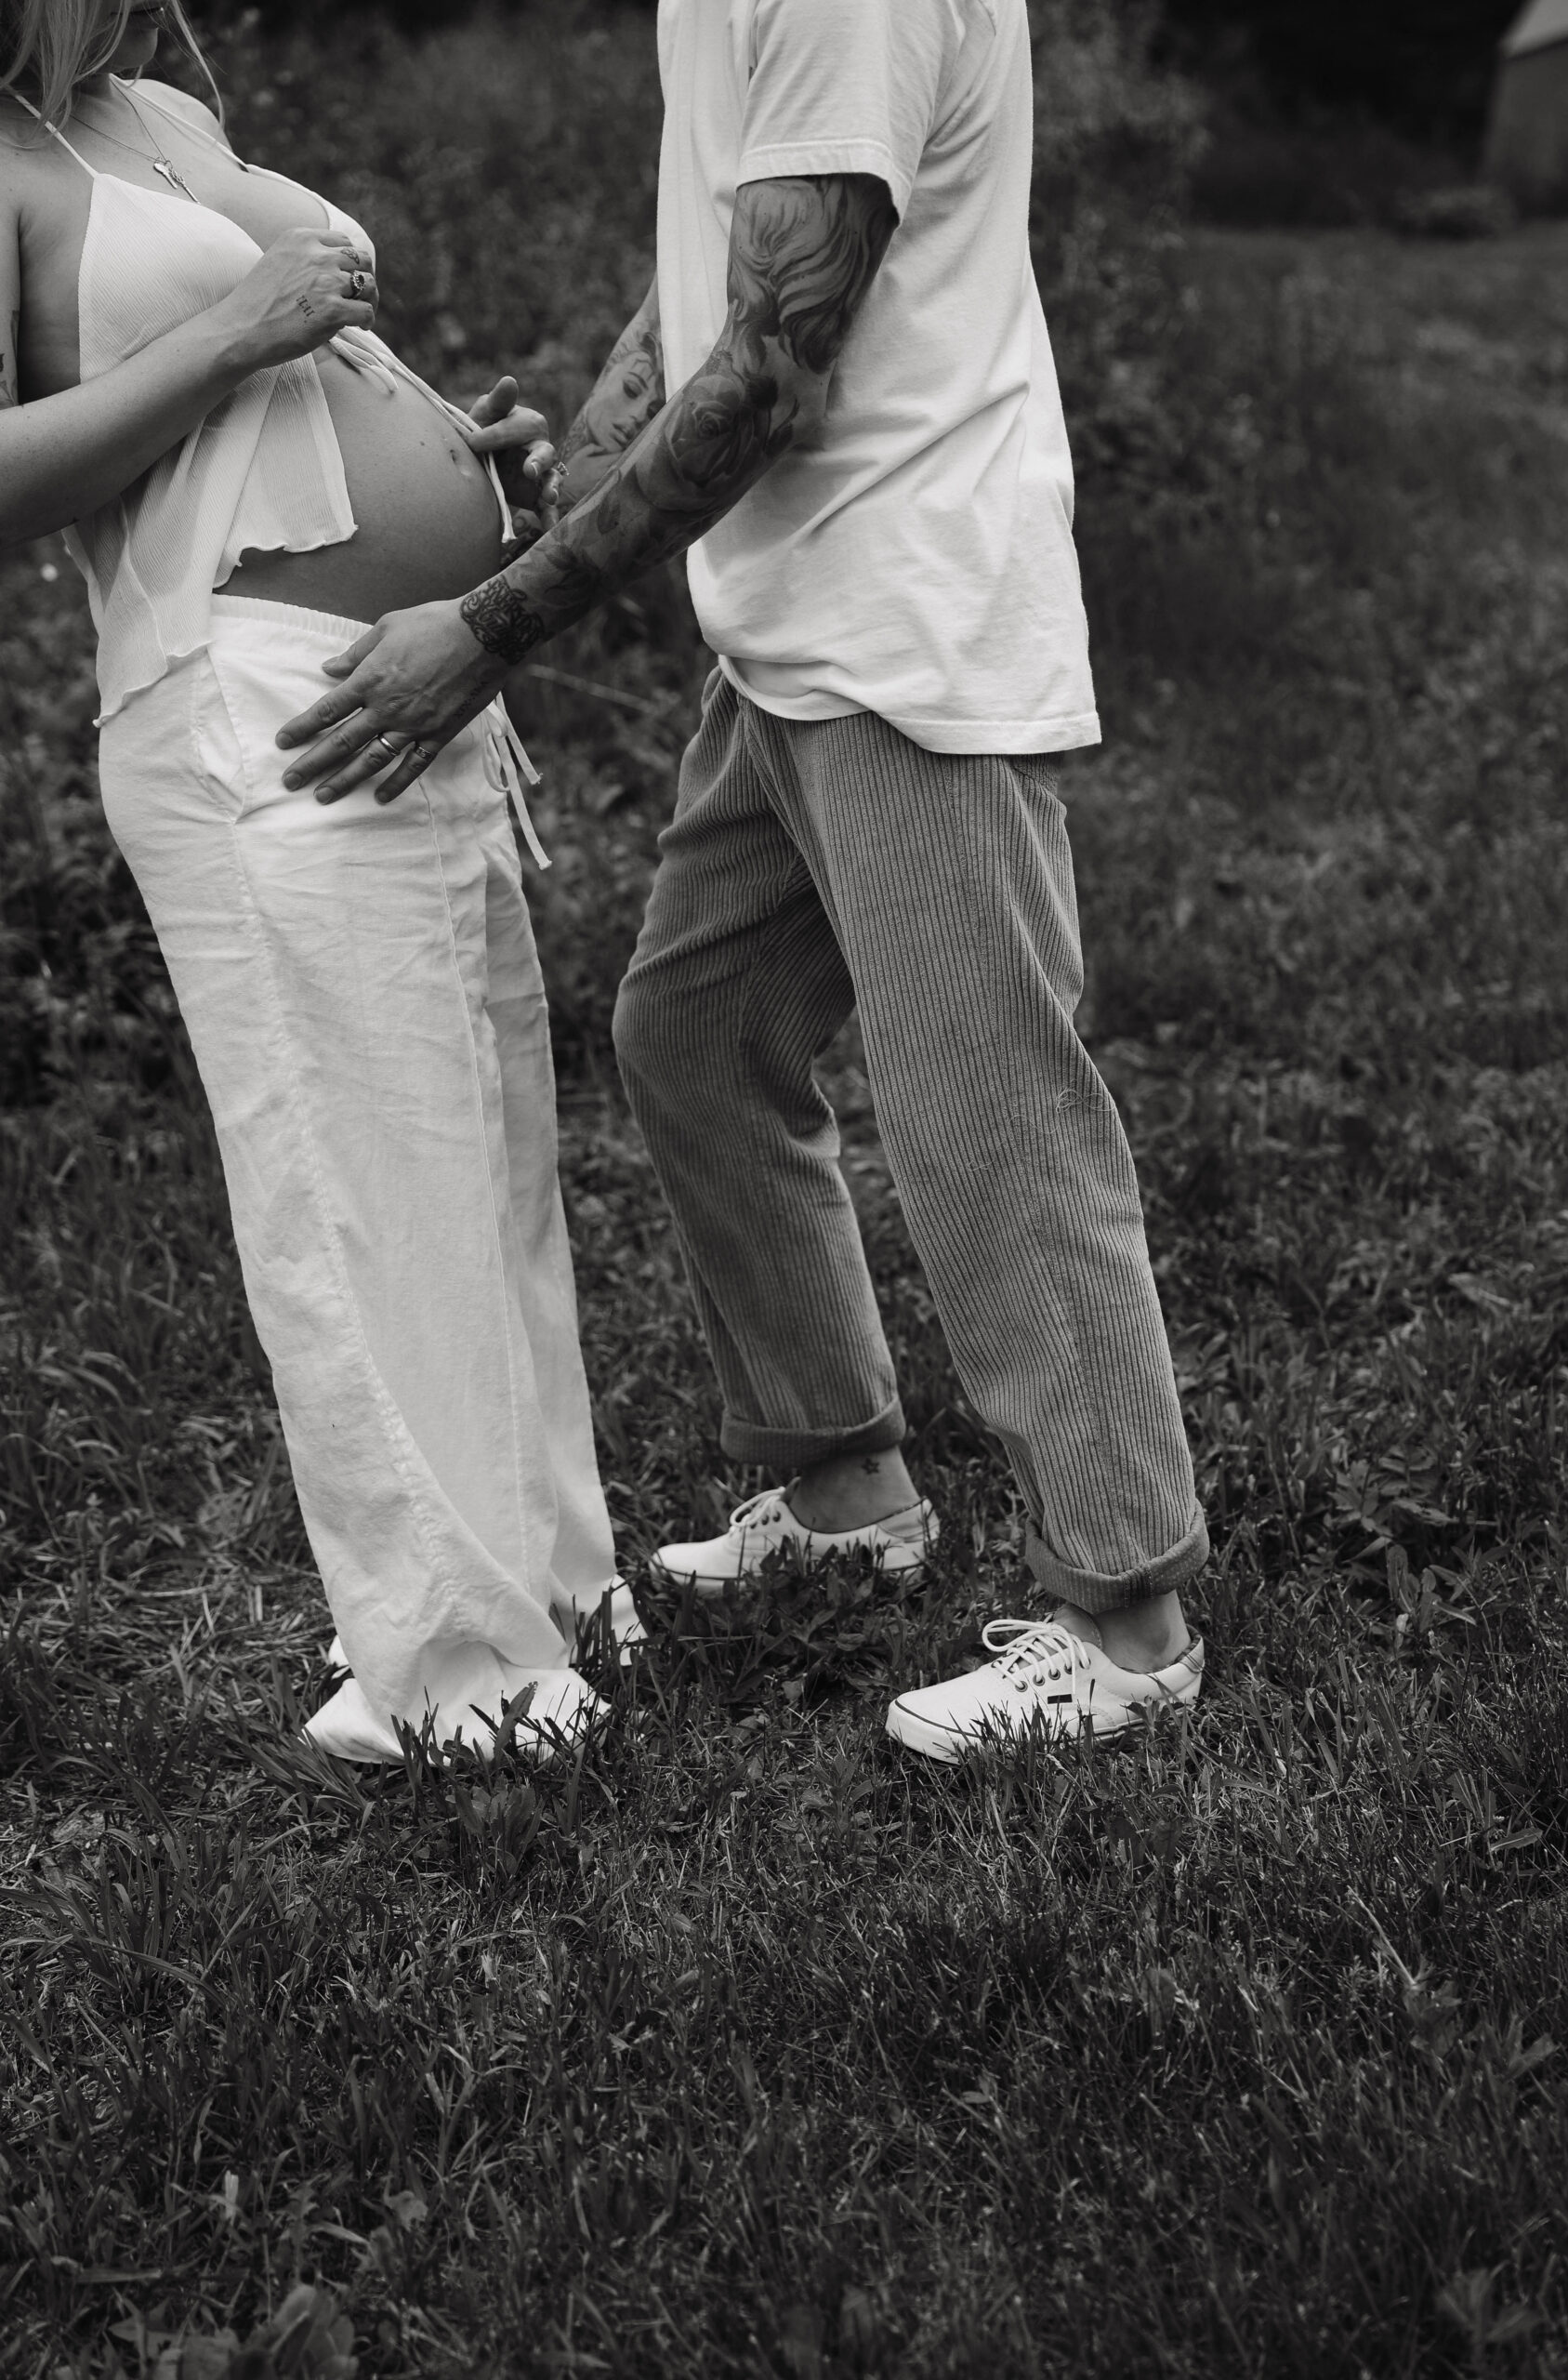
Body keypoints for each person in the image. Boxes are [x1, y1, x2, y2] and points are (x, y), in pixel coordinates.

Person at [275, 0, 1211, 1764]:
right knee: (694, 1035)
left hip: (904, 623)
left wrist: (492, 628)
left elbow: (777, 356)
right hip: (786, 625)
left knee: (986, 1114)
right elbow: (715, 275)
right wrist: (588, 484)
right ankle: (846, 1491)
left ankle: (1129, 1620)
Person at [0, 0, 638, 1765]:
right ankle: (451, 1676)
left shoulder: (142, 110)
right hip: (248, 696)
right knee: (355, 1184)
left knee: (487, 1162)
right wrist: (226, 340)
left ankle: (561, 1601)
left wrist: (453, 457)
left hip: (411, 679)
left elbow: (303, 359)